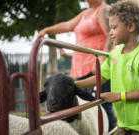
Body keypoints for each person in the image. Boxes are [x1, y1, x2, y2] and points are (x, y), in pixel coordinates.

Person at [75, 0, 139, 134]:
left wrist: (117, 96)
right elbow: (101, 78)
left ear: (130, 26)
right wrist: (74, 85)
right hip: (123, 122)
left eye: (114, 28)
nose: (110, 33)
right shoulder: (114, 54)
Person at [37, 0, 117, 131]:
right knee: (84, 107)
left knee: (101, 104)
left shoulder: (103, 10)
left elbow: (110, 35)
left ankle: (109, 131)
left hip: (96, 67)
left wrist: (102, 59)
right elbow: (68, 25)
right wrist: (46, 30)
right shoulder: (85, 13)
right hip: (80, 68)